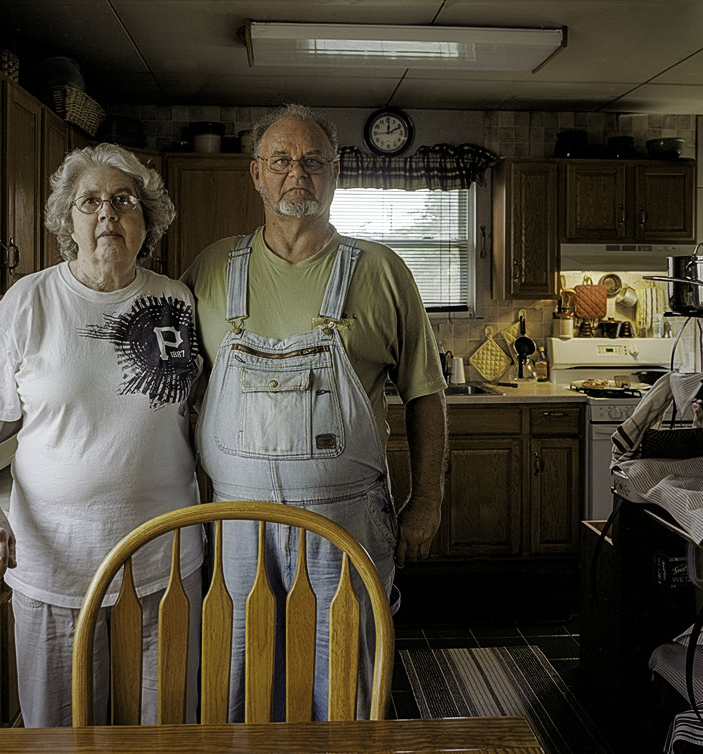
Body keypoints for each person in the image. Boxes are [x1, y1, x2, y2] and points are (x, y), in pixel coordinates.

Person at [181, 103, 447, 721]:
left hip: (346, 523)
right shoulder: (212, 268)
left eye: (313, 161)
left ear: (336, 173)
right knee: (241, 684)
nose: (296, 173)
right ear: (256, 174)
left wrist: (428, 499)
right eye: (280, 160)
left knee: (344, 682)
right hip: (237, 523)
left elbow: (426, 396)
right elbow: (175, 393)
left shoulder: (382, 271)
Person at [0, 144, 203, 727]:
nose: (107, 213)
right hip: (55, 564)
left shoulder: (177, 301)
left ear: (147, 219)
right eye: (90, 201)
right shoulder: (29, 301)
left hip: (165, 562)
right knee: (56, 730)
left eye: (123, 200)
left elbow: (200, 412)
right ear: (68, 220)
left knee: (168, 727)